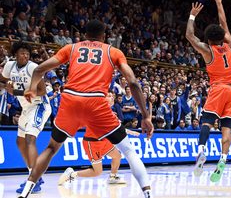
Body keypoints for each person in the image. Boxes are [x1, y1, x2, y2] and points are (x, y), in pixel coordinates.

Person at [18, 20, 154, 198]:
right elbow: (134, 83)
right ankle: (148, 195)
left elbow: (40, 69)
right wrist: (145, 116)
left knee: (51, 148)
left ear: (84, 35)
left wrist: (32, 89)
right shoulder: (113, 51)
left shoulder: (72, 48)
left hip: (70, 100)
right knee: (127, 151)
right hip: (96, 103)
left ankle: (26, 192)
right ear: (105, 37)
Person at [185, 0, 231, 182]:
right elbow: (223, 22)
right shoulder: (229, 45)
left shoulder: (208, 51)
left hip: (218, 88)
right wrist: (219, 2)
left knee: (207, 122)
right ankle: (223, 159)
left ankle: (201, 151)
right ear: (222, 36)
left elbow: (190, 36)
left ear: (208, 38)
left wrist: (192, 16)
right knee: (226, 129)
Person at [0, 42, 51, 193]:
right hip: (26, 108)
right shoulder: (10, 66)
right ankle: (35, 175)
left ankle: (33, 179)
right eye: (22, 52)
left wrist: (15, 92)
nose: (25, 55)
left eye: (27, 53)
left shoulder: (32, 67)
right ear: (15, 54)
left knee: (30, 139)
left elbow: (42, 90)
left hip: (39, 106)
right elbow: (3, 79)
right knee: (20, 141)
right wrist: (7, 85)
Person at [58, 129, 140, 185]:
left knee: (117, 156)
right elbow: (111, 128)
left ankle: (112, 177)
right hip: (92, 142)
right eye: (110, 101)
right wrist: (127, 131)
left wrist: (127, 131)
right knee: (97, 172)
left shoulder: (108, 111)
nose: (111, 102)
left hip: (103, 140)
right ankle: (71, 174)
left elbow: (114, 127)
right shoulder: (97, 111)